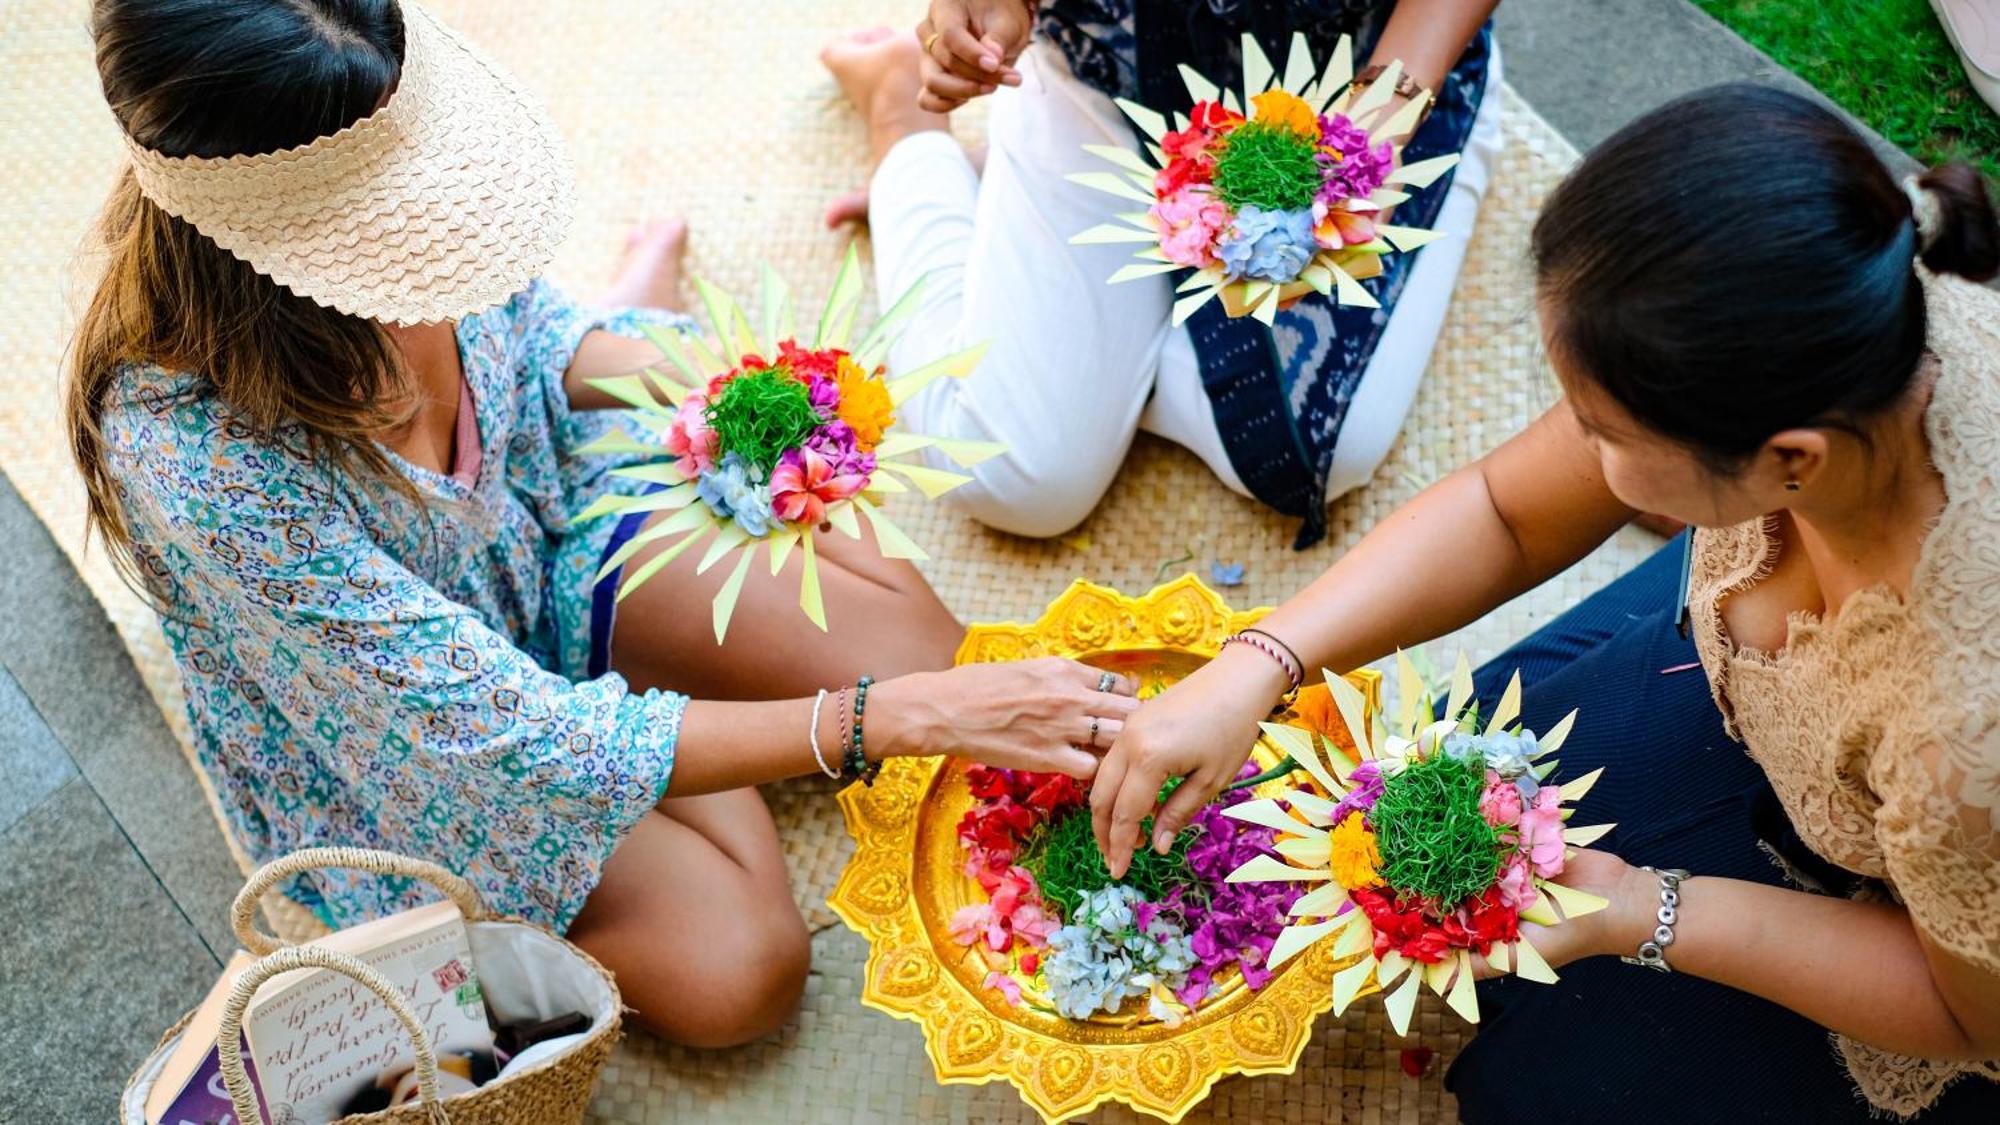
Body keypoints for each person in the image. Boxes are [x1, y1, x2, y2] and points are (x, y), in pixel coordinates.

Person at [67, 0, 1137, 1049]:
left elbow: (533, 336)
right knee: (742, 974)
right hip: (424, 744)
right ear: (277, 243)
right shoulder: (197, 461)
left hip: (550, 518)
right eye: (386, 228)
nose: (426, 229)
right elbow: (501, 740)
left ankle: (658, 710)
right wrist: (885, 719)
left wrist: (744, 384)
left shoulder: (395, 170)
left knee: (917, 648)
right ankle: (659, 726)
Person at [1089, 85, 2000, 1120]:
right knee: (1454, 771)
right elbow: (1503, 510)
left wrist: (1639, 912)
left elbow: (1966, 1009)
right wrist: (1257, 663)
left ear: (1786, 460)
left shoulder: (1961, 735)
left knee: (1531, 1084)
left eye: (1599, 429)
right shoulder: (1845, 313)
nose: (1574, 447)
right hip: (1793, 744)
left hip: (1945, 951)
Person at [822, 0, 1501, 547]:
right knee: (1012, 474)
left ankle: (1055, 271)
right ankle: (902, 116)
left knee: (1322, 450)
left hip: (1361, 70)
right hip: (1107, 63)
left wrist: (1376, 121)